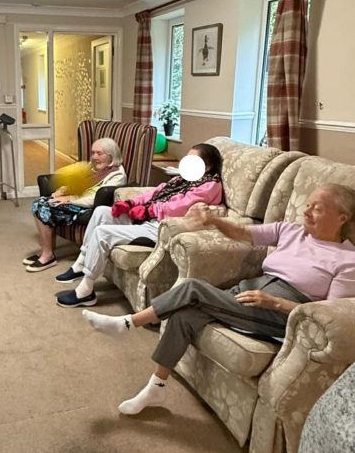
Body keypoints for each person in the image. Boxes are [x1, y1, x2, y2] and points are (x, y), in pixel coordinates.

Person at [81, 183, 355, 414]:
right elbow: (243, 233)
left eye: (317, 208)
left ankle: (127, 324)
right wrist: (213, 220)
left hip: (281, 314)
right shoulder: (292, 231)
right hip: (249, 293)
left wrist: (276, 303)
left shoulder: (348, 261)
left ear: (342, 218)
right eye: (307, 205)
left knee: (192, 289)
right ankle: (156, 388)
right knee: (185, 313)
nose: (306, 211)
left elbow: (328, 317)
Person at [55, 143, 223, 307]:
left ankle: (86, 290)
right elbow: (155, 192)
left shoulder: (210, 186)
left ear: (207, 166)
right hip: (149, 219)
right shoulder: (181, 180)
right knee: (101, 212)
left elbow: (181, 207)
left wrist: (149, 210)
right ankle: (81, 262)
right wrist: (130, 203)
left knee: (102, 233)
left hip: (160, 227)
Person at [24, 138, 126, 272]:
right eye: (93, 153)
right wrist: (62, 191)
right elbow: (78, 183)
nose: (94, 157)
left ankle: (48, 255)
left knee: (41, 206)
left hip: (89, 208)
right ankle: (46, 250)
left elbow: (94, 199)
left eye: (99, 153)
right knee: (40, 203)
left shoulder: (117, 175)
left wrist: (70, 199)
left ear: (111, 156)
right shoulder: (93, 168)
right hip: (77, 201)